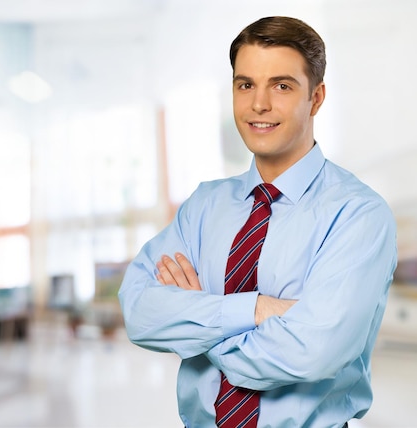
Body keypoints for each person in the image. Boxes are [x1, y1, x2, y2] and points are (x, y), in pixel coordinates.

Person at [118, 16, 397, 428]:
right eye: (245, 84)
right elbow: (140, 313)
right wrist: (257, 309)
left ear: (316, 98)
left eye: (282, 86)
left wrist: (195, 323)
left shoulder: (358, 215)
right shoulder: (203, 206)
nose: (258, 105)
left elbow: (309, 352)